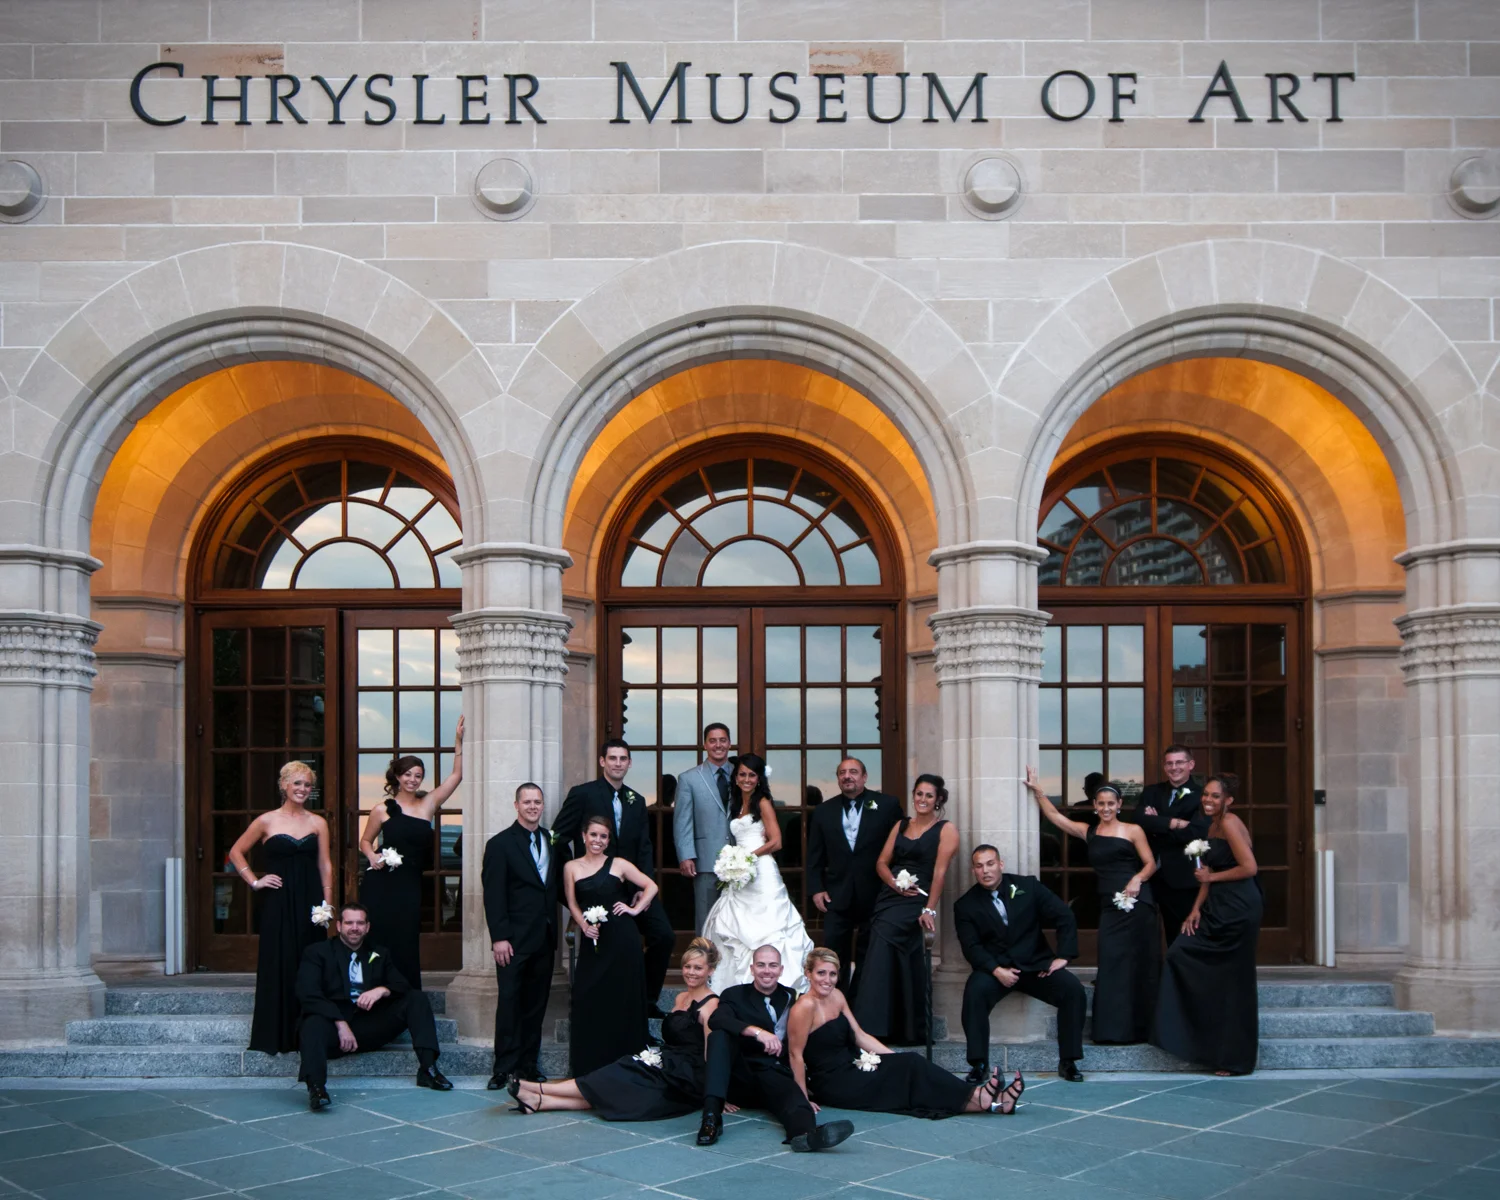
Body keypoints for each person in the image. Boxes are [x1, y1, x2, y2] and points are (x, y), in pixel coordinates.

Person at [510, 937, 727, 1119]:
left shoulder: (711, 1006)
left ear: (711, 970)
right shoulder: (681, 997)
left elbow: (714, 1054)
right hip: (666, 1064)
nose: (691, 972)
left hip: (685, 1079)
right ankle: (540, 1101)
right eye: (687, 966)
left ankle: (538, 1088)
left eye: (698, 968)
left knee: (623, 1086)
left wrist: (716, 1096)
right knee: (620, 1081)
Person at [791, 947, 1020, 1118]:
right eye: (821, 973)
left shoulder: (837, 996)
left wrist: (893, 1060)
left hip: (852, 1065)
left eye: (832, 974)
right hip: (834, 1082)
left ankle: (986, 1100)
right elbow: (795, 1055)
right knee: (907, 1078)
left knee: (909, 1062)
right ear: (808, 973)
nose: (828, 980)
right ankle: (983, 1098)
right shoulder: (804, 1008)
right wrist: (802, 1099)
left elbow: (859, 1035)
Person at [1026, 767, 1159, 1044]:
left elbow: (1150, 864)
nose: (1106, 808)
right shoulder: (1090, 832)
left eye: (1111, 803)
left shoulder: (1133, 830)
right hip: (1109, 905)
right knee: (1110, 962)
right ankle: (1112, 1031)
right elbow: (1056, 818)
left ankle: (1142, 1029)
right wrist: (1038, 791)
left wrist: (1137, 879)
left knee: (1137, 963)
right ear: (1095, 805)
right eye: (1101, 804)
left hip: (1137, 903)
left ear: (1119, 804)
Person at [1152, 772, 1262, 1076]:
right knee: (1180, 953)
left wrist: (1211, 877)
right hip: (1217, 904)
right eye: (1206, 794)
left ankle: (1235, 1059)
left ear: (1229, 800)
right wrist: (1195, 909)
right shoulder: (1212, 825)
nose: (1208, 800)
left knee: (1233, 980)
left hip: (1239, 907)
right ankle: (1200, 1042)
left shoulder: (1229, 822)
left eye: (1215, 796)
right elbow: (1208, 874)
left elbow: (1249, 868)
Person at [555, 738, 675, 1016]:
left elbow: (644, 846)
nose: (618, 763)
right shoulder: (583, 794)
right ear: (602, 762)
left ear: (629, 763)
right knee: (613, 947)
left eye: (623, 759)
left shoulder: (637, 800)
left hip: (632, 889)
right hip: (598, 890)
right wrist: (575, 885)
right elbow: (557, 838)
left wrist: (641, 887)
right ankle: (607, 1006)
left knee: (664, 936)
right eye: (612, 758)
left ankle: (646, 1001)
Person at [697, 944, 855, 1153]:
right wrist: (757, 1032)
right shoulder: (734, 994)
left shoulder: (793, 997)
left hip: (774, 1074)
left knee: (795, 1099)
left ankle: (805, 1136)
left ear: (781, 970)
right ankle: (711, 1118)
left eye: (772, 965)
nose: (767, 971)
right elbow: (717, 1019)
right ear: (752, 968)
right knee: (719, 1036)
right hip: (740, 1077)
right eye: (761, 965)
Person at [295, 902, 450, 1111]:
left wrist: (381, 990)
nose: (355, 928)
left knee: (416, 999)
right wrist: (340, 1022)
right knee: (312, 1023)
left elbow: (401, 985)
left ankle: (428, 1069)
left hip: (367, 1025)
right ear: (339, 926)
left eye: (360, 923)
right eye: (349, 923)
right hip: (332, 1029)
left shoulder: (378, 953)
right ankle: (316, 1088)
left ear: (367, 927)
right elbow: (308, 994)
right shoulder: (318, 952)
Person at [954, 844, 1088, 1084]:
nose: (985, 870)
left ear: (1000, 864)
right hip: (996, 970)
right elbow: (971, 947)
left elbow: (1064, 915)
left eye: (990, 864)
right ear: (974, 870)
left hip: (1036, 966)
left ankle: (1068, 1061)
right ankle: (979, 1064)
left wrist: (1063, 956)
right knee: (974, 993)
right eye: (979, 866)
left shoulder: (1028, 886)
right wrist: (996, 970)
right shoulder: (965, 904)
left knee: (1073, 990)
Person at [229, 760, 334, 1056]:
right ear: (284, 785)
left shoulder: (318, 823)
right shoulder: (266, 821)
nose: (303, 789)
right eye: (297, 783)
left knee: (310, 962)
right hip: (278, 901)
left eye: (308, 784)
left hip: (311, 901)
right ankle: (276, 1034)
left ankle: (309, 1033)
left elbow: (325, 864)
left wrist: (327, 903)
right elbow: (236, 851)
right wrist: (254, 881)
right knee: (279, 960)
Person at [357, 716, 465, 990]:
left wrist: (458, 742)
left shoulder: (428, 803)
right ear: (397, 776)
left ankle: (404, 992)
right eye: (408, 775)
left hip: (410, 882)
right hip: (381, 882)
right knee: (379, 935)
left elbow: (456, 777)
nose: (413, 780)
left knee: (406, 936)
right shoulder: (382, 809)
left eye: (418, 776)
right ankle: (374, 987)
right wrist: (372, 857)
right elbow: (365, 841)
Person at [852, 774, 959, 1044]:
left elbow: (940, 874)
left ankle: (898, 1028)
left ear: (938, 800)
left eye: (929, 795)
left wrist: (929, 910)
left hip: (916, 901)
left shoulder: (946, 830)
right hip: (890, 897)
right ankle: (874, 1028)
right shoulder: (901, 825)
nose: (922, 799)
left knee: (893, 952)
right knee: (879, 952)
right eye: (919, 794)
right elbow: (881, 862)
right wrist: (894, 883)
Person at [701, 753, 814, 992]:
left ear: (759, 778)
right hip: (740, 873)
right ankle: (736, 988)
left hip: (761, 871)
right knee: (734, 925)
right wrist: (735, 862)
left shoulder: (762, 802)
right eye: (742, 774)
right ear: (735, 777)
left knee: (768, 928)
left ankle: (778, 984)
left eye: (752, 775)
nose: (746, 779)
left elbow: (777, 841)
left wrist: (748, 857)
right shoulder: (736, 802)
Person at [564, 813, 658, 1076]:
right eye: (593, 835)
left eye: (603, 836)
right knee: (589, 995)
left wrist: (634, 909)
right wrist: (584, 925)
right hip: (593, 940)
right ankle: (591, 1064)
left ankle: (626, 1062)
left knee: (623, 997)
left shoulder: (619, 864)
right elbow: (572, 903)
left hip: (623, 939)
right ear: (584, 836)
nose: (598, 840)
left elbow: (651, 886)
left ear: (608, 840)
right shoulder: (571, 867)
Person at [482, 782, 560, 1092]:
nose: (532, 807)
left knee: (535, 1006)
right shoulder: (500, 844)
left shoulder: (552, 841)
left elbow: (558, 886)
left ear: (542, 805)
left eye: (537, 802)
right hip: (513, 941)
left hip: (544, 937)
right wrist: (499, 937)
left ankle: (528, 1065)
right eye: (527, 802)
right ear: (516, 805)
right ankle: (503, 1068)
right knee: (509, 1003)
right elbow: (493, 895)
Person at [805, 756, 901, 992]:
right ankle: (835, 1001)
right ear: (838, 779)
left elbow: (899, 850)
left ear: (864, 777)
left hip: (876, 892)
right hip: (836, 894)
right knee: (834, 953)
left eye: (853, 772)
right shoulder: (823, 811)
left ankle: (862, 1001)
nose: (847, 776)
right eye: (842, 773)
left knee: (869, 952)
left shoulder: (887, 805)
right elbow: (814, 855)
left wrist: (894, 885)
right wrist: (816, 888)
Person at [1128, 744, 1208, 946]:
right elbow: (1138, 820)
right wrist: (1174, 823)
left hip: (1181, 876)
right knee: (1144, 932)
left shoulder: (1201, 795)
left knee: (1182, 934)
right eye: (1169, 763)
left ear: (1191, 764)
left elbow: (1196, 832)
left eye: (1179, 762)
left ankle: (1178, 967)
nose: (1174, 767)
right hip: (1149, 874)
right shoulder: (1152, 792)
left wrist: (1156, 825)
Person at [674, 723, 737, 934]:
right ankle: (704, 955)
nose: (718, 745)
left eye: (722, 740)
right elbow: (683, 821)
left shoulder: (741, 775)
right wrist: (686, 855)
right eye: (713, 741)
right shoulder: (689, 778)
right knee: (706, 917)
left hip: (741, 861)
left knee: (737, 919)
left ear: (730, 743)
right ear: (705, 745)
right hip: (705, 860)